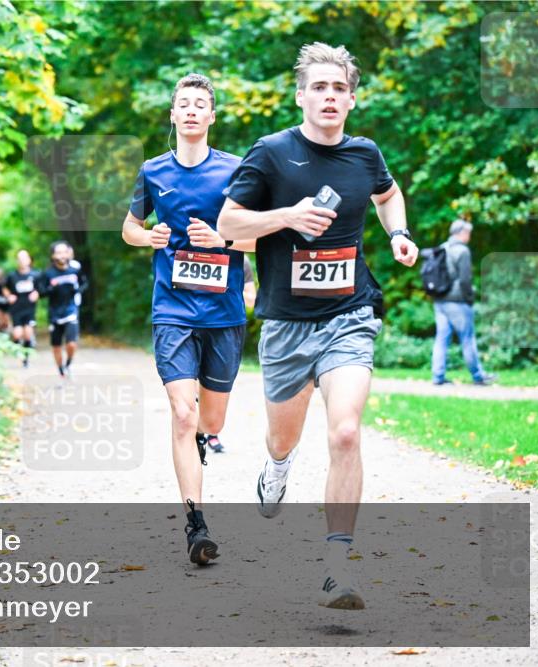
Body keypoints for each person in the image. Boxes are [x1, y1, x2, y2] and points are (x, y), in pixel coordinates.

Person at [218, 43, 419, 609]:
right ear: (301, 96)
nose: (330, 97)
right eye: (319, 87)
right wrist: (287, 215)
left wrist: (398, 234)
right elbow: (228, 223)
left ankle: (336, 567)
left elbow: (388, 194)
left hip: (349, 314)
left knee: (346, 432)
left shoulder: (365, 154)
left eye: (339, 89)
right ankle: (278, 466)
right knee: (283, 437)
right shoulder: (272, 153)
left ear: (351, 100)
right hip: (286, 323)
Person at [121, 73, 256, 566]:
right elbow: (129, 227)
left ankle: (201, 439)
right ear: (174, 114)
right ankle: (196, 525)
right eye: (185, 103)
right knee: (183, 414)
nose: (193, 110)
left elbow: (262, 237)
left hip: (223, 313)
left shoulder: (236, 170)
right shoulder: (153, 171)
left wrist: (222, 240)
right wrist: (148, 237)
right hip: (173, 310)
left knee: (209, 421)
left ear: (211, 116)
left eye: (201, 104)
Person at [201, 255, 256, 456]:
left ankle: (210, 430)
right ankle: (196, 430)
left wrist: (231, 288)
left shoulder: (241, 260)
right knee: (192, 381)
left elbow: (251, 299)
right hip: (192, 321)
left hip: (224, 325)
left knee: (214, 387)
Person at [431, 219, 495, 386]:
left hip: (439, 299)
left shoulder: (442, 247)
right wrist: (469, 298)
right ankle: (478, 376)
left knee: (441, 338)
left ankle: (438, 377)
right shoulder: (462, 251)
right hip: (457, 301)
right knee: (467, 338)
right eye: (468, 233)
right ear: (462, 233)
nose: (469, 237)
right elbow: (465, 280)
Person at [39, 240, 88, 378]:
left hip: (71, 310)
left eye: (64, 252)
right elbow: (41, 293)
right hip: (54, 313)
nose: (61, 255)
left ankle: (69, 364)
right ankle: (61, 370)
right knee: (56, 346)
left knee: (71, 343)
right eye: (58, 252)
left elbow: (84, 283)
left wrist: (77, 289)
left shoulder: (75, 271)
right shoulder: (48, 273)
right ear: (53, 255)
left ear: (68, 254)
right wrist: (51, 288)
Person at [4, 250, 40, 367]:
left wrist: (37, 293)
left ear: (29, 260)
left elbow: (42, 288)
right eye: (19, 259)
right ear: (17, 261)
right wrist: (9, 296)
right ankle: (19, 351)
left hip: (29, 308)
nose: (22, 261)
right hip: (16, 309)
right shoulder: (12, 275)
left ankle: (26, 359)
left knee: (28, 334)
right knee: (17, 334)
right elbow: (5, 288)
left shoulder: (36, 275)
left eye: (24, 258)